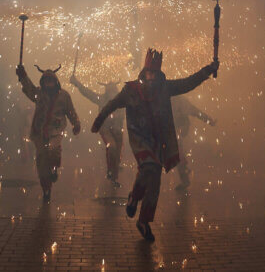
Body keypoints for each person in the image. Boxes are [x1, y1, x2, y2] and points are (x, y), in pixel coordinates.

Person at [91, 48, 219, 241]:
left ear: (158, 74)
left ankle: (143, 219)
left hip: (159, 140)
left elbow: (188, 83)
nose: (151, 78)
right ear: (144, 72)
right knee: (149, 166)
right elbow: (113, 103)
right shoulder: (131, 90)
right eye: (149, 73)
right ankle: (134, 198)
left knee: (154, 180)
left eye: (154, 74)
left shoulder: (165, 88)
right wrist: (100, 119)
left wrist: (208, 69)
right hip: (140, 139)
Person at [16, 64, 81, 203]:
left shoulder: (64, 96)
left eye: (50, 81)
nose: (48, 84)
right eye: (46, 81)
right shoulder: (39, 94)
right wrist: (23, 76)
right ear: (43, 82)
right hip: (39, 133)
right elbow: (29, 89)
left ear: (55, 81)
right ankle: (46, 189)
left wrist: (76, 123)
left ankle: (54, 168)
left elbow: (71, 111)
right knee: (41, 165)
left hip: (56, 131)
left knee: (54, 150)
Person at [70, 76, 124, 188]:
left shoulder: (122, 100)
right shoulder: (101, 99)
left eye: (113, 90)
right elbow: (87, 93)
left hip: (118, 131)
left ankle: (114, 177)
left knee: (117, 156)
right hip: (105, 129)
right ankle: (111, 173)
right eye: (110, 90)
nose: (112, 92)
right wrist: (77, 83)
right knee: (112, 147)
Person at [172, 95, 216, 190]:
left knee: (177, 153)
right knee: (176, 153)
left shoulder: (181, 101)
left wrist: (209, 120)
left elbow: (196, 112)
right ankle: (184, 174)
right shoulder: (165, 99)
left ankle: (184, 176)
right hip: (171, 130)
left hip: (177, 130)